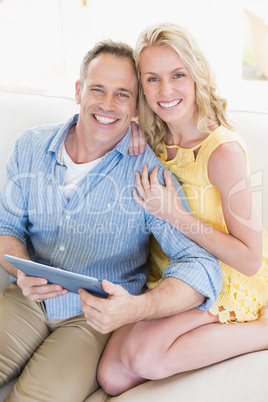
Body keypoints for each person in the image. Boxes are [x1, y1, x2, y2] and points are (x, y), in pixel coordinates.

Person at [0, 40, 221, 401]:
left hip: (92, 321)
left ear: (136, 106)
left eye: (122, 95)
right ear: (78, 91)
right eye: (98, 89)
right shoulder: (30, 147)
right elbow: (6, 228)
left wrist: (138, 308)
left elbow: (200, 265)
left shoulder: (149, 174)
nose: (107, 105)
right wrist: (23, 273)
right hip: (25, 298)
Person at [97, 23, 268, 396]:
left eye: (178, 75)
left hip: (226, 278)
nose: (166, 90)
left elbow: (251, 258)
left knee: (144, 359)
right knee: (111, 378)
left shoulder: (221, 152)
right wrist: (133, 125)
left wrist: (177, 217)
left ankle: (263, 331)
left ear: (196, 77)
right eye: (153, 79)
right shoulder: (152, 138)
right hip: (173, 278)